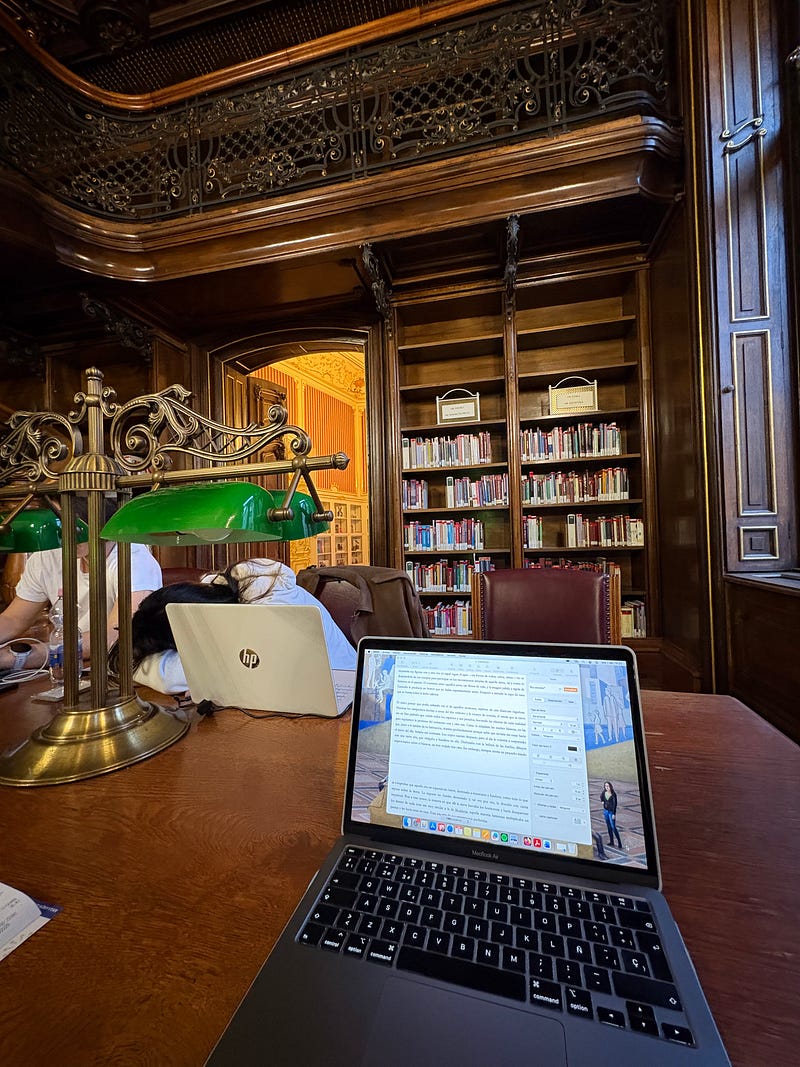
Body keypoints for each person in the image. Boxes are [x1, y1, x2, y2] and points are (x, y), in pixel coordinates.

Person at [131, 557, 357, 694]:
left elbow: (168, 678)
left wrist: (207, 679)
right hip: (299, 697)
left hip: (345, 689)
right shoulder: (224, 596)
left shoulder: (271, 603)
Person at [0, 507, 162, 671]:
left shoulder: (134, 561)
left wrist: (20, 658)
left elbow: (114, 636)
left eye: (75, 526)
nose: (66, 535)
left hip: (114, 668)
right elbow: (14, 619)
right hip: (69, 664)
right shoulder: (48, 554)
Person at [600, 780, 623, 849]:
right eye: (605, 786)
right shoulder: (604, 792)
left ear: (610, 787)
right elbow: (601, 797)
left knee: (613, 827)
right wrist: (602, 801)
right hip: (606, 811)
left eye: (608, 786)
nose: (606, 787)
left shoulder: (613, 794)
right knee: (609, 827)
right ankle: (611, 841)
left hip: (611, 812)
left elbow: (615, 804)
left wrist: (613, 813)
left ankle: (619, 842)